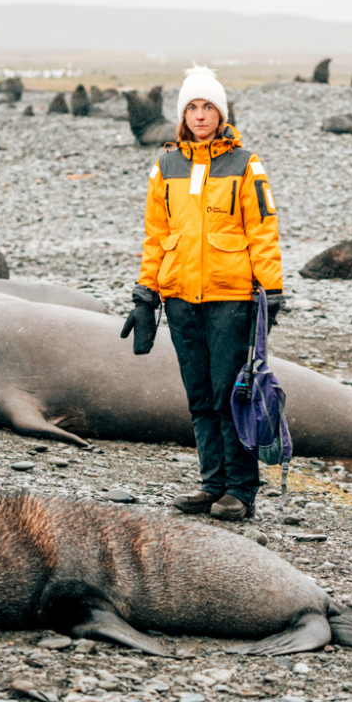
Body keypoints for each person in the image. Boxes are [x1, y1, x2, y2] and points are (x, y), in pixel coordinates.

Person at [121, 66, 284, 521]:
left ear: (221, 112)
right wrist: (145, 294)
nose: (199, 114)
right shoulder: (165, 166)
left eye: (207, 106)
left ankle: (241, 490)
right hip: (181, 299)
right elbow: (156, 235)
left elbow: (263, 231)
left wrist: (271, 293)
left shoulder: (245, 164)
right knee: (198, 396)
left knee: (230, 394)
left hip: (230, 297)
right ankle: (212, 484)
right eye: (192, 107)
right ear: (182, 114)